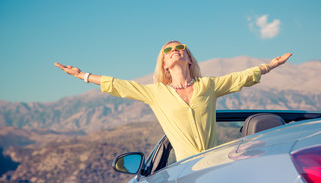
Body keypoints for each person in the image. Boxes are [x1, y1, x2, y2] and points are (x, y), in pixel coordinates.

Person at [55, 41, 292, 161]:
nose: (176, 51)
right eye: (169, 51)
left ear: (189, 58)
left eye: (181, 48)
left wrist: (269, 66)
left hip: (217, 163)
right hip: (186, 168)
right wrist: (83, 75)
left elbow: (239, 78)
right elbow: (120, 86)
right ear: (164, 63)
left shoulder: (207, 86)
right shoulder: (156, 93)